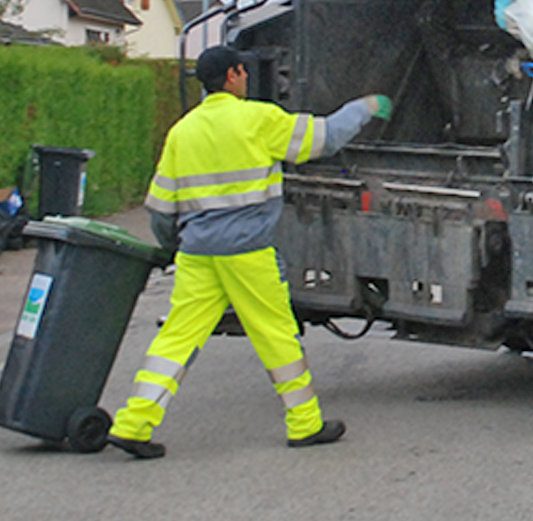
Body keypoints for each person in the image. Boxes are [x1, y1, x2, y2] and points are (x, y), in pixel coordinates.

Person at [106, 45, 392, 459]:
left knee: (176, 338)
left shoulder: (182, 131)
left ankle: (133, 423)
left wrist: (175, 247)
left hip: (198, 253)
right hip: (247, 253)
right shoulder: (256, 119)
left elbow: (162, 209)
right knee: (276, 333)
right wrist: (365, 107)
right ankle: (305, 424)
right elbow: (325, 138)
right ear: (236, 75)